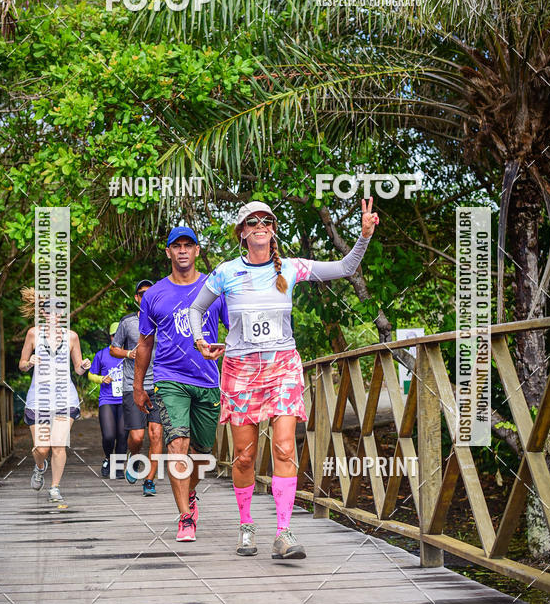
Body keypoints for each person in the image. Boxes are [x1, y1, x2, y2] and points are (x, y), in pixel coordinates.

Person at [189, 198, 378, 559]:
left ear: (273, 229)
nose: (260, 224)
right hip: (241, 369)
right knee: (244, 456)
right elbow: (196, 309)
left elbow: (346, 266)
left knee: (285, 446)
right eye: (251, 221)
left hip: (282, 365)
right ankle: (246, 527)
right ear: (242, 232)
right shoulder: (226, 272)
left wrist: (364, 235)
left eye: (266, 220)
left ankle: (284, 532)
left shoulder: (291, 268)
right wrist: (200, 341)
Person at [133, 226, 229, 542]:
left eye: (189, 245)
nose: (183, 250)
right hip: (169, 379)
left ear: (197, 251)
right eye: (177, 246)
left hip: (207, 379)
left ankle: (188, 494)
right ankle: (185, 519)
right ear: (169, 253)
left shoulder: (214, 288)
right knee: (178, 444)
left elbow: (236, 331)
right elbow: (145, 344)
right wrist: (138, 385)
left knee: (203, 452)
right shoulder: (155, 294)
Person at [18, 287, 91, 508]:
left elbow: (77, 368)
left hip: (64, 397)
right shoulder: (33, 333)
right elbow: (21, 365)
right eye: (49, 311)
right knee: (42, 448)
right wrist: (29, 362)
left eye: (58, 311)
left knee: (58, 445)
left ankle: (55, 487)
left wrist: (83, 367)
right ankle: (40, 467)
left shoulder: (71, 337)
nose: (53, 314)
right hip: (38, 398)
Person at [110, 280, 162, 497]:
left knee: (157, 433)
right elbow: (113, 349)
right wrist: (128, 353)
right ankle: (134, 457)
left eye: (151, 293)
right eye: (142, 294)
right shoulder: (128, 322)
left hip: (160, 385)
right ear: (136, 298)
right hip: (134, 384)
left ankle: (149, 481)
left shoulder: (164, 320)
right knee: (138, 437)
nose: (146, 297)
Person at [88, 323, 127, 478]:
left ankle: (118, 467)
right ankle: (108, 458)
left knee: (123, 435)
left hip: (126, 399)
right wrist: (101, 379)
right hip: (107, 399)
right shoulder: (102, 354)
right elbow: (91, 374)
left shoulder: (129, 354)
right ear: (110, 337)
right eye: (113, 335)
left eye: (119, 335)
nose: (116, 338)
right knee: (109, 435)